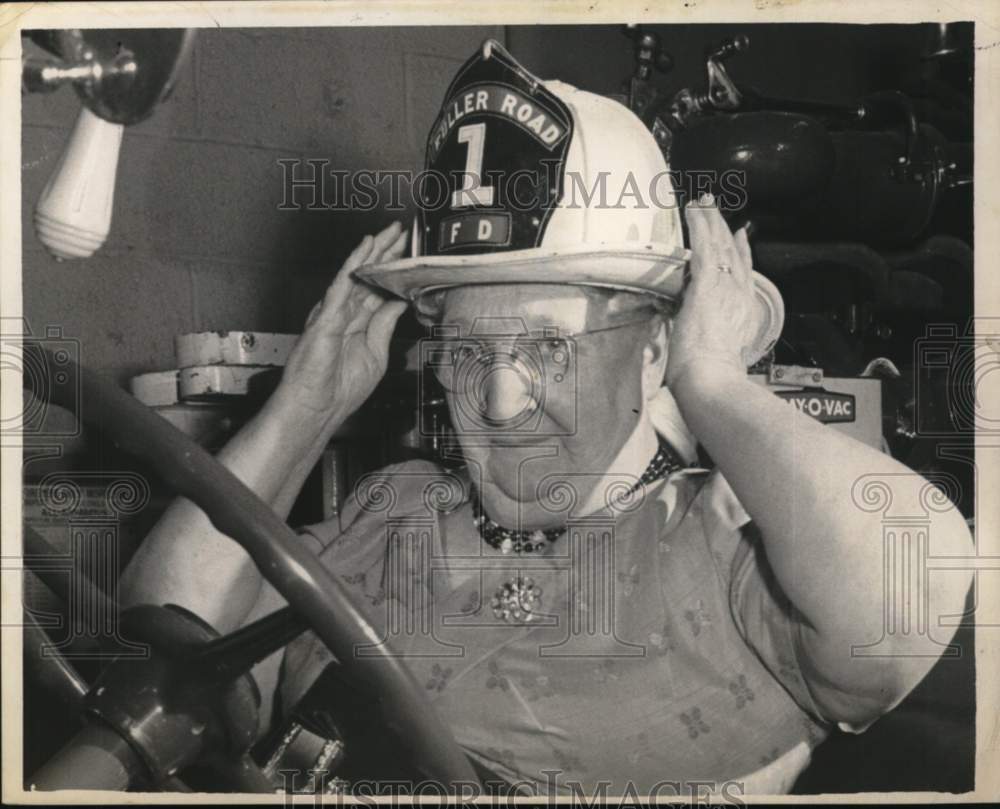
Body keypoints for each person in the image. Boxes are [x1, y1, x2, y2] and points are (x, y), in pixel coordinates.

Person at [119, 40, 973, 796]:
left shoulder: (722, 540)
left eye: (549, 348)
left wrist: (715, 382)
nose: (496, 401)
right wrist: (310, 401)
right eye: (464, 348)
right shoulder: (393, 510)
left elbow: (907, 603)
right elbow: (167, 644)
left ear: (651, 350)